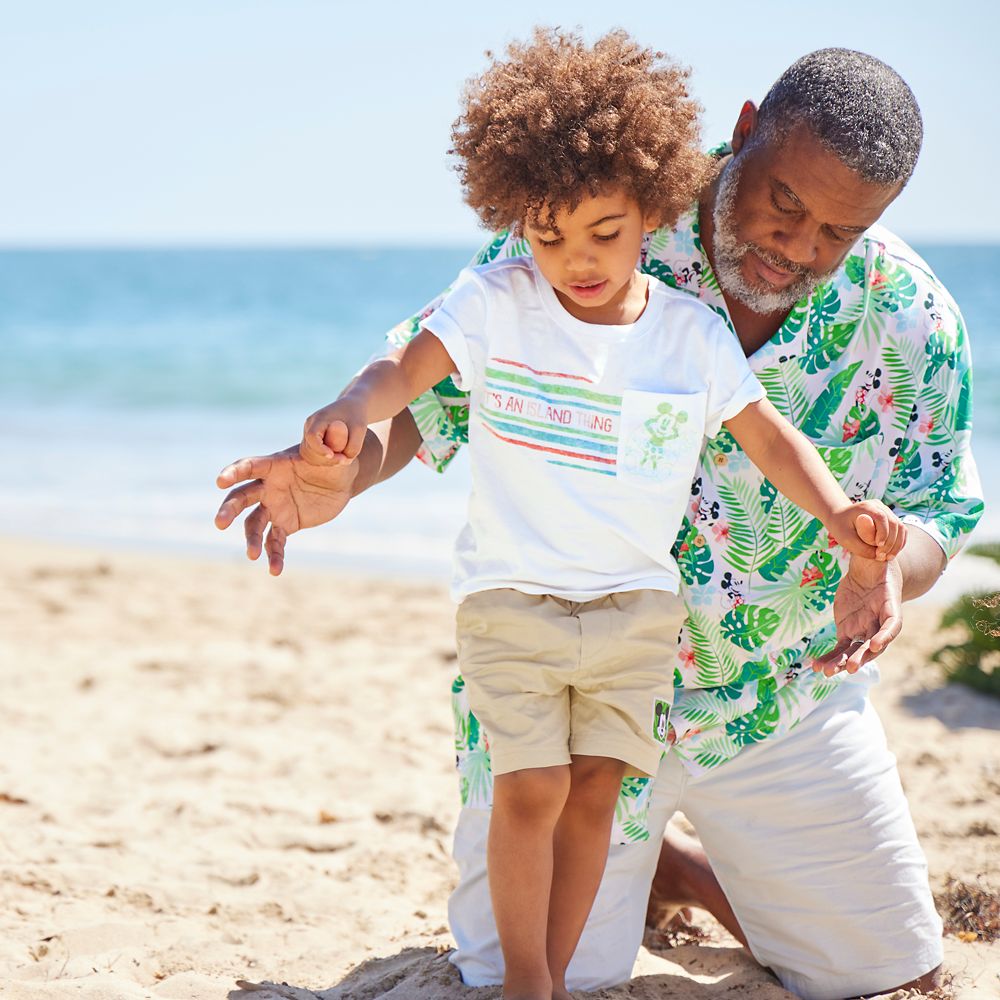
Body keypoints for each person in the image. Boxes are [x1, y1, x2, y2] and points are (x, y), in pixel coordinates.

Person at [215, 47, 984, 1000]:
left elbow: (937, 507)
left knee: (888, 975)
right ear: (744, 132)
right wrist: (344, 476)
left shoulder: (910, 317)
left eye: (840, 230)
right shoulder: (592, 216)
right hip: (567, 691)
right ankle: (665, 852)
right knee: (540, 977)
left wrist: (886, 568)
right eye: (785, 204)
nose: (800, 247)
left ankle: (690, 865)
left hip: (775, 695)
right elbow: (428, 399)